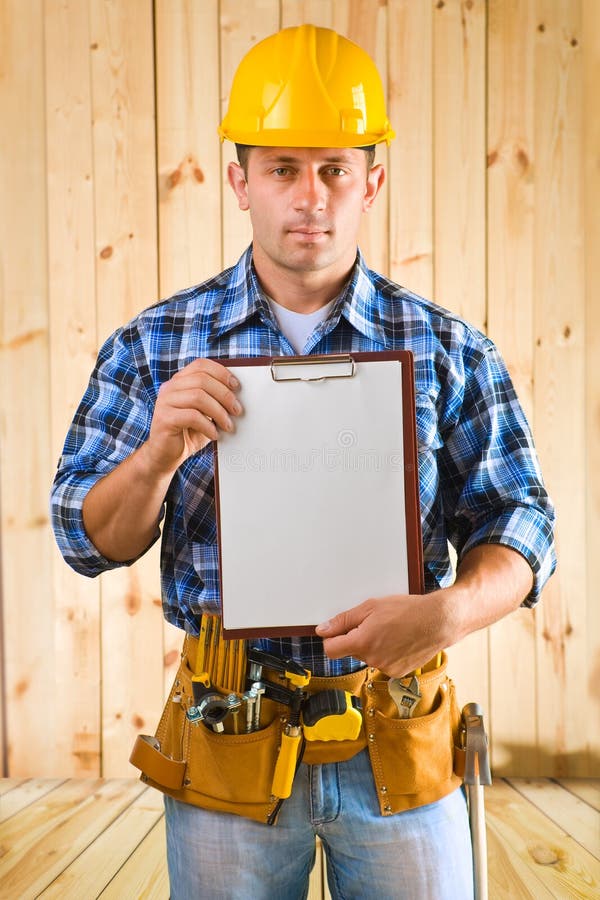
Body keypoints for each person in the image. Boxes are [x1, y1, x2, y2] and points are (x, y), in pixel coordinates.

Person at [51, 23, 555, 900]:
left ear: (373, 181)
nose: (311, 197)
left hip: (397, 737)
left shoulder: (448, 350)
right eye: (283, 169)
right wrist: (156, 457)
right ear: (241, 181)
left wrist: (448, 612)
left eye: (334, 169)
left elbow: (523, 519)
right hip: (228, 741)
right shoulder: (154, 345)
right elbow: (87, 538)